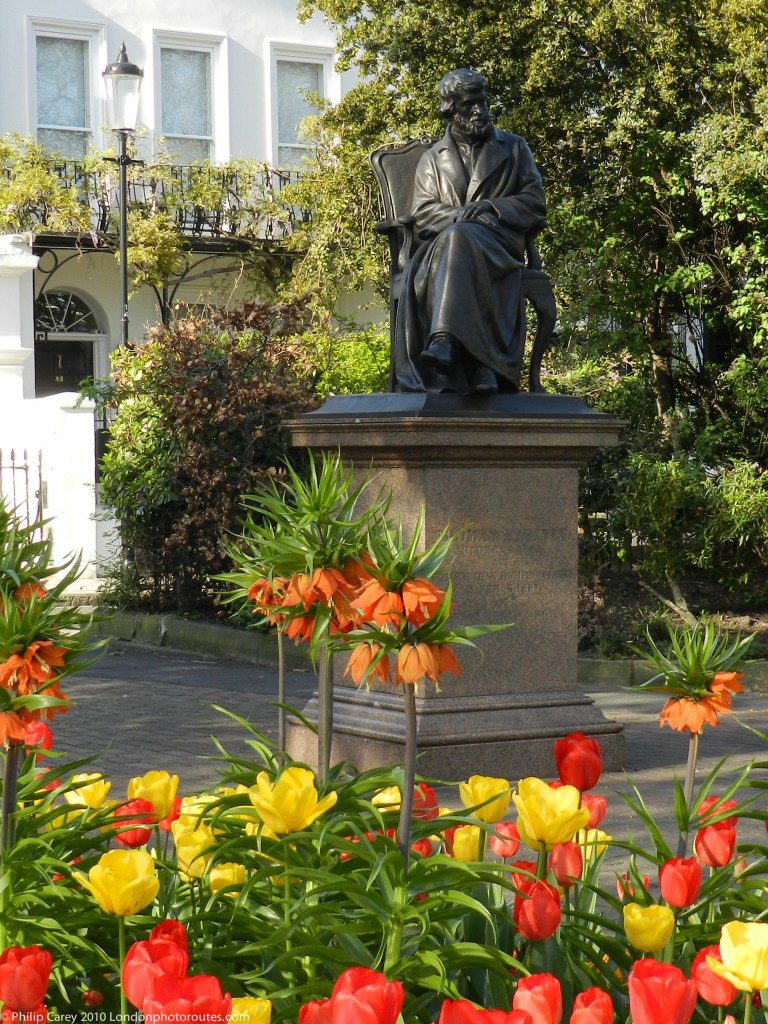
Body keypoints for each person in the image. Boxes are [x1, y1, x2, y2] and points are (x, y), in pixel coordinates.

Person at [393, 68, 547, 395]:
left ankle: (445, 340)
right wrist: (460, 217)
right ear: (451, 109)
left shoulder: (515, 148)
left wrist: (494, 208)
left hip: (498, 244)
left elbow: (535, 201)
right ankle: (483, 367)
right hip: (443, 249)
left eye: (483, 101)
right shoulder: (432, 159)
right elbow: (423, 214)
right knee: (458, 236)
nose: (480, 111)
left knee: (460, 237)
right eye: (469, 105)